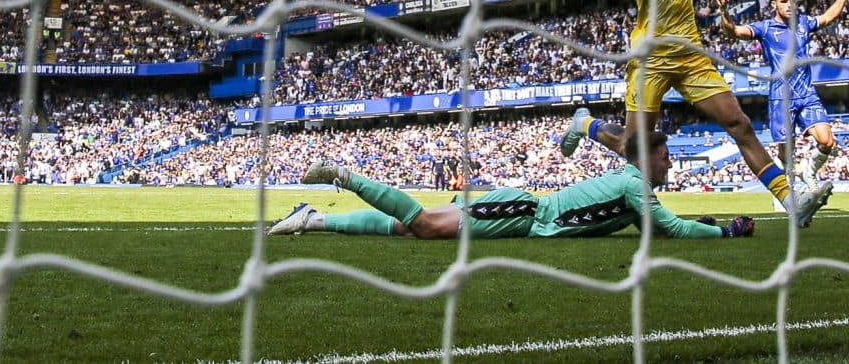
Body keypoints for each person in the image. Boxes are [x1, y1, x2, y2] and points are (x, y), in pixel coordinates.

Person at [557, 0, 831, 226]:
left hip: (692, 59)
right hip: (651, 61)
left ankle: (792, 201)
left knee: (740, 124)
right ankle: (584, 124)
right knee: (633, 146)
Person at [268, 131, 754, 241]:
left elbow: (658, 224)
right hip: (524, 213)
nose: (670, 165)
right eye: (665, 157)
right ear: (647, 157)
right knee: (425, 227)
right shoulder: (636, 186)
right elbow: (666, 228)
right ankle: (342, 176)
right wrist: (725, 233)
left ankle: (314, 218)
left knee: (403, 229)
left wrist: (704, 222)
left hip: (523, 211)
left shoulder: (632, 186)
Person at [716, 0, 849, 184]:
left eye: (793, 1)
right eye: (784, 2)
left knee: (827, 141)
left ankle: (808, 171)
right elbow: (733, 32)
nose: (790, 5)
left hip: (807, 93)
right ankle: (785, 189)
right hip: (782, 96)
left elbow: (828, 17)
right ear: (774, 4)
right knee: (787, 151)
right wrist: (724, 11)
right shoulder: (765, 28)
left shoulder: (804, 22)